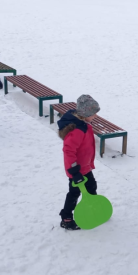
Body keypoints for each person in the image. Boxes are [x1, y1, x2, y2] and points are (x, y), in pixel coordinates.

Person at [57, 95, 101, 230]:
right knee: (74, 194)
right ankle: (66, 218)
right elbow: (68, 152)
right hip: (76, 171)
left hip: (86, 168)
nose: (95, 116)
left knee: (92, 187)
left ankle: (92, 209)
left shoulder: (84, 125)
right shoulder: (77, 130)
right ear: (85, 113)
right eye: (93, 114)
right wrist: (74, 172)